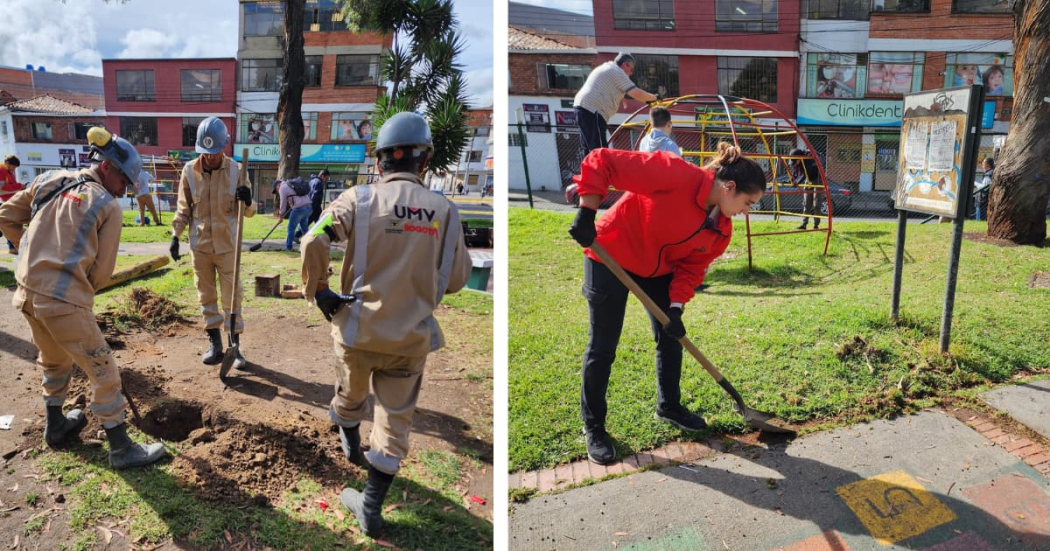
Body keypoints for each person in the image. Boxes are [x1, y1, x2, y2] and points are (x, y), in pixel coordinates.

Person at [301, 112, 471, 538]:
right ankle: (371, 504)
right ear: (424, 161)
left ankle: (350, 438)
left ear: (380, 163)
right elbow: (456, 280)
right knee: (395, 420)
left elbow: (312, 238)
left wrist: (319, 289)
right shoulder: (444, 212)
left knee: (349, 398)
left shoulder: (357, 200)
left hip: (356, 332)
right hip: (410, 338)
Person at [567, 142, 766, 465]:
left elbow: (691, 268)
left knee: (671, 337)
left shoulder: (721, 230)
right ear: (729, 188)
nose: (748, 211)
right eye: (748, 202)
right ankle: (595, 427)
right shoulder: (675, 174)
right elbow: (601, 160)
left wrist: (675, 307)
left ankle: (669, 406)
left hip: (658, 271)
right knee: (603, 347)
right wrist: (587, 211)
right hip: (610, 255)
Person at [0, 128, 166, 469]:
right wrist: (76, 293)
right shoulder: (106, 206)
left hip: (26, 294)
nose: (125, 191)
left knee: (55, 360)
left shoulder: (49, 179)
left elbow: (6, 216)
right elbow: (101, 274)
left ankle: (56, 424)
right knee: (103, 369)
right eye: (125, 182)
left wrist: (30, 253)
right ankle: (120, 447)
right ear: (107, 167)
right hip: (63, 300)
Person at [169, 116, 254, 370]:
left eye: (215, 152)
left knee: (232, 298)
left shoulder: (238, 171)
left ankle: (234, 347)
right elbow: (183, 208)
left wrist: (247, 200)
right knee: (206, 295)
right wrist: (175, 236)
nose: (210, 157)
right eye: (206, 152)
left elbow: (248, 213)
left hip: (228, 246)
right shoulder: (189, 172)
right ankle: (215, 345)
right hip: (201, 247)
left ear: (224, 147)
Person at [573, 53, 659, 161]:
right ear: (624, 65)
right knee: (599, 151)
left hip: (582, 108)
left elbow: (606, 86)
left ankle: (588, 175)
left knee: (588, 149)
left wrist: (620, 97)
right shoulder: (617, 72)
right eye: (631, 69)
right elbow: (636, 93)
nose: (631, 73)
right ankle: (601, 176)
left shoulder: (607, 67)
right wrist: (654, 98)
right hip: (593, 111)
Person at [789, 148, 825, 230]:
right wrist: (792, 179)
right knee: (806, 203)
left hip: (818, 179)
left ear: (799, 157)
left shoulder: (808, 159)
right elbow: (796, 172)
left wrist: (797, 182)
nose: (795, 163)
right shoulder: (799, 162)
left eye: (795, 161)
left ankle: (816, 225)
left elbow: (805, 174)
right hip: (808, 180)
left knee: (816, 204)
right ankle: (804, 224)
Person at [277, 176, 312, 251]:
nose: (277, 191)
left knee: (291, 228)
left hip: (298, 209)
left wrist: (280, 215)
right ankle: (310, 246)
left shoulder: (282, 188)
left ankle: (288, 247)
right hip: (308, 206)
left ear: (278, 185)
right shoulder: (292, 184)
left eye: (276, 189)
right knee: (304, 228)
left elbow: (282, 203)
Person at [0, 155, 25, 254]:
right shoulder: (2, 170)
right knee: (10, 225)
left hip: (9, 201)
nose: (14, 169)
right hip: (5, 201)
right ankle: (13, 247)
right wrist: (19, 186)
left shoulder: (8, 172)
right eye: (13, 167)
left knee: (11, 225)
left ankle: (13, 246)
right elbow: (3, 187)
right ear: (7, 163)